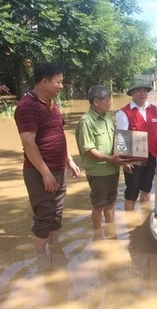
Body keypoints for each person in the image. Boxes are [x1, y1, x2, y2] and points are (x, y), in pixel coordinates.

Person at [14, 62, 80, 255]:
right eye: (58, 82)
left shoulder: (53, 104)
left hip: (58, 169)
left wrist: (70, 160)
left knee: (57, 213)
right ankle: (42, 261)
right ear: (44, 81)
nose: (61, 86)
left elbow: (60, 133)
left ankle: (55, 250)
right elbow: (28, 143)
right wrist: (45, 173)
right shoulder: (27, 106)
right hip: (40, 172)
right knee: (44, 216)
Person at [75, 85, 127, 238]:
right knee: (98, 205)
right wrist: (110, 159)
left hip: (113, 169)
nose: (110, 103)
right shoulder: (86, 122)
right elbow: (89, 149)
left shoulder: (107, 118)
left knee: (111, 202)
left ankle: (111, 234)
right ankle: (97, 235)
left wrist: (125, 160)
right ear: (96, 102)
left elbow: (116, 143)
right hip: (98, 172)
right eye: (107, 100)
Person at [115, 79, 157, 211]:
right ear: (132, 93)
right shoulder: (124, 113)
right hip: (134, 158)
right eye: (138, 90)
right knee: (132, 192)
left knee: (147, 187)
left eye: (144, 90)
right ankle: (129, 220)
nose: (142, 93)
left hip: (151, 155)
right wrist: (124, 162)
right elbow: (122, 139)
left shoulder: (154, 110)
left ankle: (143, 218)